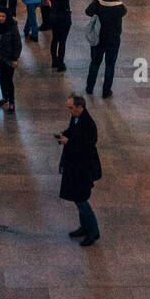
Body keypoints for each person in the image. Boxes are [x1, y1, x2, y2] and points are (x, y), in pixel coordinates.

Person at [57, 94, 102, 247]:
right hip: (74, 167)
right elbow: (72, 131)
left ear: (80, 107)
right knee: (78, 199)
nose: (69, 110)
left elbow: (86, 147)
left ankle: (93, 232)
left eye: (71, 107)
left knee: (82, 200)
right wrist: (65, 135)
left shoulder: (89, 124)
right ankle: (85, 227)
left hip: (82, 169)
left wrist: (68, 141)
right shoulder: (77, 118)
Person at [84, 0, 125, 98]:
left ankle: (89, 88)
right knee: (110, 65)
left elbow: (88, 12)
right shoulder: (118, 5)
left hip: (99, 38)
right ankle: (106, 91)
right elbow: (124, 12)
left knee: (95, 63)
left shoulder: (98, 3)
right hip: (114, 39)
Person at [46, 0, 79, 71]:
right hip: (64, 18)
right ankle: (61, 64)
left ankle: (54, 61)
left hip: (53, 16)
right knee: (62, 42)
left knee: (54, 39)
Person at [0, 7, 22, 112]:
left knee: (9, 80)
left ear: (7, 17)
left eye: (3, 16)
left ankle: (12, 102)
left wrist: (15, 59)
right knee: (1, 78)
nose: (1, 18)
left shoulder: (12, 27)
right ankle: (5, 97)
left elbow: (17, 44)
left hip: (9, 59)